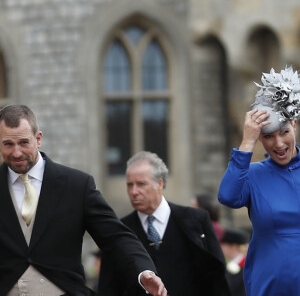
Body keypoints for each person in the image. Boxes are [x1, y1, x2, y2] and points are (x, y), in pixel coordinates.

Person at [0, 105, 167, 296]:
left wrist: (143, 271)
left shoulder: (77, 185)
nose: (16, 153)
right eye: (8, 144)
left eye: (23, 142)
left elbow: (115, 237)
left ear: (38, 139)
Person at [99, 151, 231, 296]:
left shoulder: (196, 220)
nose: (134, 191)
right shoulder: (120, 230)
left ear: (160, 183)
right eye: (129, 185)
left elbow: (217, 276)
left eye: (141, 184)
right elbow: (108, 286)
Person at [218, 66, 300, 296]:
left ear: (293, 125)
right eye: (267, 136)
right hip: (268, 288)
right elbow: (227, 196)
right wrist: (246, 143)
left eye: (284, 132)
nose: (278, 144)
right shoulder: (252, 175)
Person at [220, 229, 249, 296]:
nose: (221, 247)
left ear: (233, 246)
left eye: (224, 244)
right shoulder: (228, 264)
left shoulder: (246, 267)